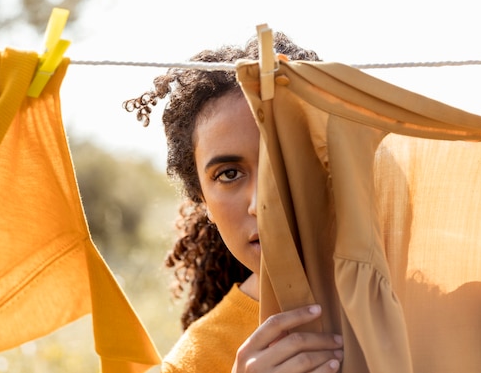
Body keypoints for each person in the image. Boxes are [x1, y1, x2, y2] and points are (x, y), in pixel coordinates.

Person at [125, 33, 344, 373]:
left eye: (287, 161)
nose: (260, 203)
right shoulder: (190, 366)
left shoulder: (432, 299)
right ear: (204, 202)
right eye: (228, 174)